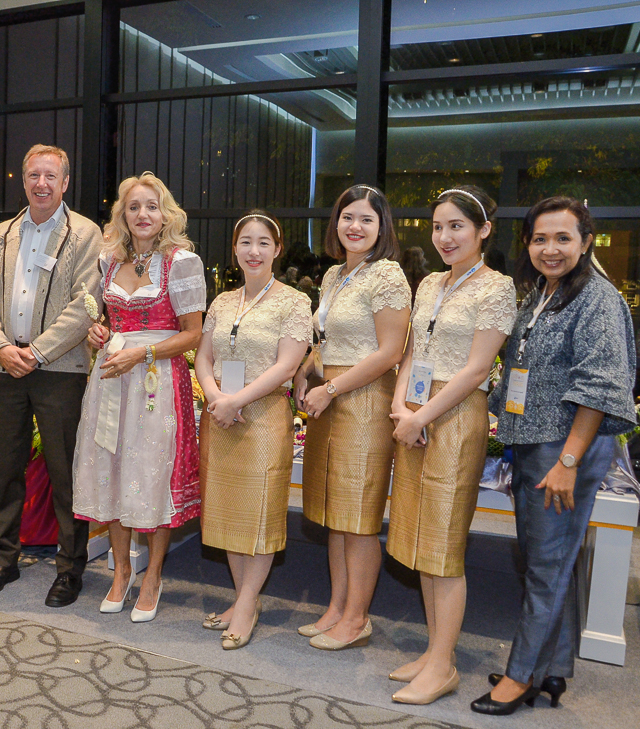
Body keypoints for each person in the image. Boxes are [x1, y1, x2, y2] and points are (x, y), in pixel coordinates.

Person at [473, 197, 636, 715]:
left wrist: (567, 462)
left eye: (563, 238)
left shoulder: (597, 299)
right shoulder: (544, 293)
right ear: (527, 244)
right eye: (540, 238)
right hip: (534, 441)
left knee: (545, 565)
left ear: (585, 242)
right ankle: (553, 668)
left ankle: (520, 675)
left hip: (565, 448)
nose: (551, 249)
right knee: (547, 561)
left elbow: (600, 387)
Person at [386, 187, 516, 704]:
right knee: (419, 536)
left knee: (443, 544)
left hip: (457, 417)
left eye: (457, 226)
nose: (444, 237)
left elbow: (477, 369)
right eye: (438, 227)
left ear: (483, 230)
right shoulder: (429, 284)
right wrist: (401, 407)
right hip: (415, 414)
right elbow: (412, 351)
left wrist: (421, 415)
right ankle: (434, 651)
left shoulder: (497, 288)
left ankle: (443, 666)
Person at [0, 144, 104, 607]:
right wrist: (1, 347)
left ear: (65, 183)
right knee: (6, 468)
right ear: (23, 180)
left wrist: (38, 352)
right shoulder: (2, 234)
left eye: (51, 176)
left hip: (59, 371)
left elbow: (86, 304)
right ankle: (4, 559)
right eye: (33, 175)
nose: (41, 184)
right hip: (4, 367)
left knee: (65, 471)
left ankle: (70, 568)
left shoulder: (85, 234)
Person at [71, 172, 205, 622]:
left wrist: (141, 353)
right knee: (111, 470)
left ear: (165, 214)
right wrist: (98, 333)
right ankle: (122, 571)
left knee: (151, 474)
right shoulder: (109, 262)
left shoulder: (181, 262)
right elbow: (111, 323)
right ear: (123, 216)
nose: (143, 214)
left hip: (156, 379)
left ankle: (153, 576)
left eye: (151, 206)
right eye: (134, 207)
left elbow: (192, 334)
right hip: (112, 376)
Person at [293, 184, 411, 650]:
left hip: (363, 402)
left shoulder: (388, 276)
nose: (355, 226)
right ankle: (337, 607)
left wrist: (330, 388)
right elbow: (329, 340)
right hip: (329, 397)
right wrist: (306, 369)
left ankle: (357, 617)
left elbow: (390, 352)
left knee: (358, 517)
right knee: (334, 513)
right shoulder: (335, 274)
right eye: (347, 217)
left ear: (382, 227)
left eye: (366, 219)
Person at [195, 210, 310, 649]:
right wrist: (215, 397)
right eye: (246, 242)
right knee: (228, 509)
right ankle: (243, 598)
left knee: (259, 510)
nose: (254, 251)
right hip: (221, 415)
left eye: (264, 242)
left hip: (262, 416)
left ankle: (246, 605)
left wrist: (236, 400)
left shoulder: (293, 302)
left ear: (277, 249)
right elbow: (204, 356)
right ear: (235, 249)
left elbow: (287, 364)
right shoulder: (223, 302)